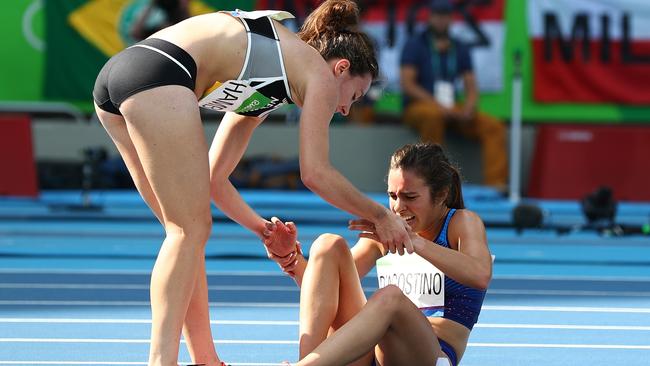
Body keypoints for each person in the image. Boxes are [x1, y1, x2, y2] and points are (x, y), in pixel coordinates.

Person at [92, 1, 413, 365]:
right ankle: (160, 361)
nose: (345, 110)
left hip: (119, 76)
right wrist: (381, 215)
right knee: (188, 231)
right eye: (353, 96)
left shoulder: (271, 80)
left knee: (182, 234)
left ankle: (206, 359)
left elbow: (214, 179)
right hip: (160, 72)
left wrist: (263, 230)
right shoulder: (318, 75)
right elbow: (316, 173)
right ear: (341, 69)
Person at [265, 142, 493, 366]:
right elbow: (324, 289)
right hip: (373, 353)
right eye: (393, 196)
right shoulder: (385, 234)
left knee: (390, 297)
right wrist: (290, 259)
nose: (398, 207)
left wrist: (412, 241)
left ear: (442, 194)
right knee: (328, 244)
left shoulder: (461, 223)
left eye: (410, 197)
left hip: (430, 354)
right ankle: (305, 361)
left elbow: (480, 275)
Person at [400, 0, 507, 190]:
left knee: (493, 126)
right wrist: (439, 106)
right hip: (421, 107)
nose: (441, 20)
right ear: (430, 17)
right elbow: (408, 85)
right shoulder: (415, 44)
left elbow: (471, 85)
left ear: (451, 19)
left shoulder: (459, 46)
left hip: (450, 107)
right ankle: (431, 184)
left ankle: (496, 186)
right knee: (433, 116)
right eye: (437, 16)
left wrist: (469, 107)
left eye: (446, 16)